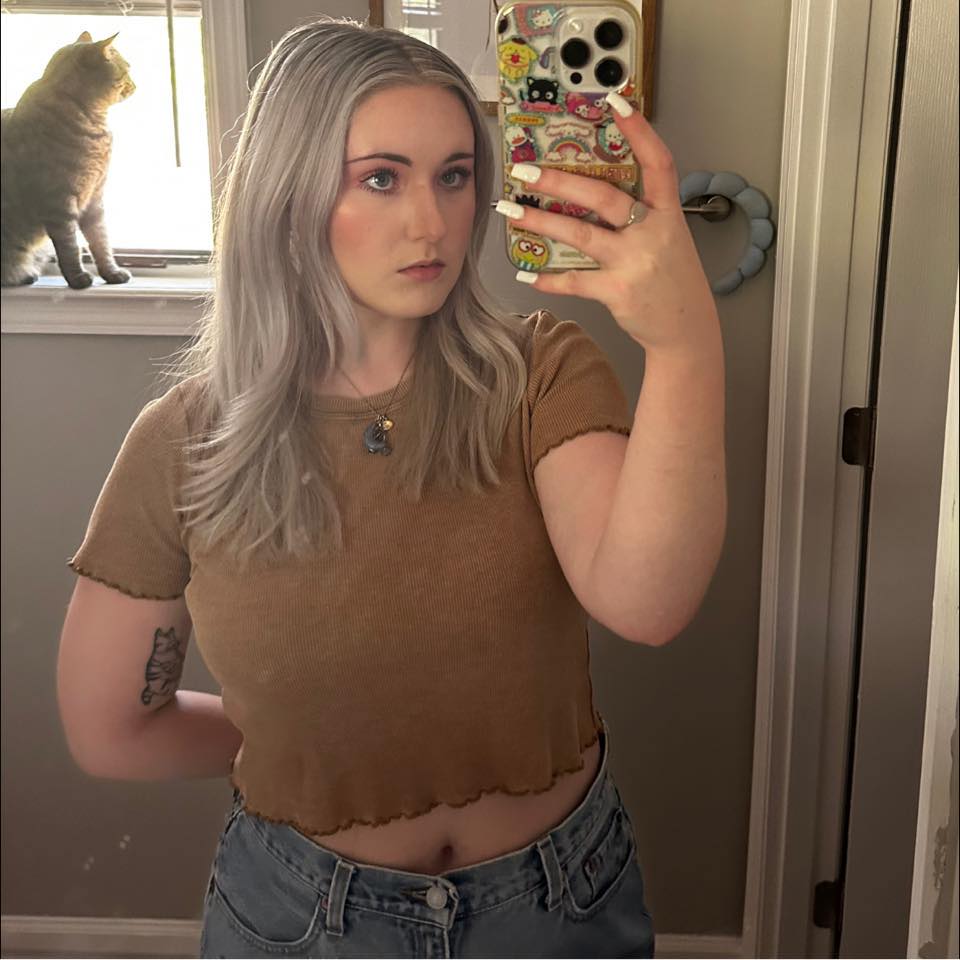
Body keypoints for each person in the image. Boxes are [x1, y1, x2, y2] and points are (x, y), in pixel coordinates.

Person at [56, 15, 726, 959]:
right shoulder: (186, 443)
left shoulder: (540, 375)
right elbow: (112, 731)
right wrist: (297, 740)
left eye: (455, 175)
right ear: (286, 192)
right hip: (303, 922)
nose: (432, 222)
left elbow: (647, 605)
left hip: (558, 907)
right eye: (381, 177)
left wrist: (685, 343)